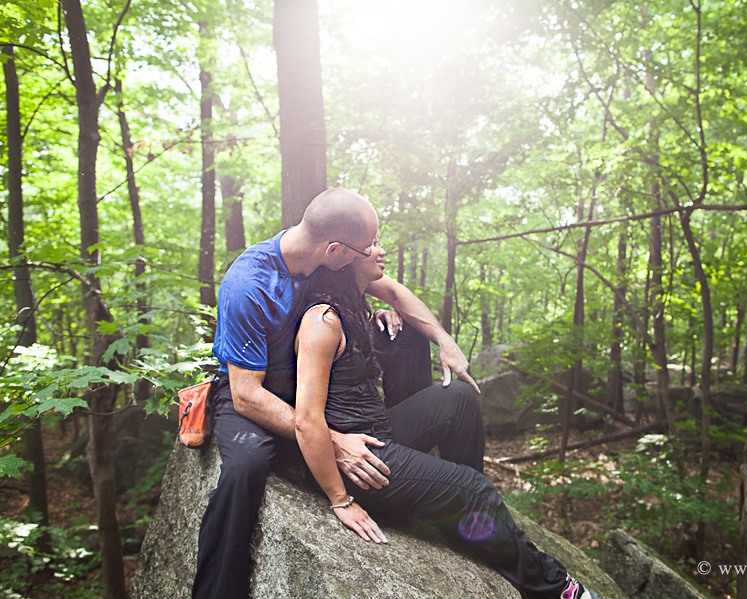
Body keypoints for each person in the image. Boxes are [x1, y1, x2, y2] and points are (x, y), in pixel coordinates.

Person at [192, 188, 481, 599]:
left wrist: (442, 340)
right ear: (334, 248)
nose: (370, 255)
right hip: (250, 388)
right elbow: (245, 395)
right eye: (364, 249)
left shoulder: (327, 262)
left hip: (306, 384)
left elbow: (394, 292)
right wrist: (332, 440)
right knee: (246, 466)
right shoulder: (249, 283)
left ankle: (438, 496)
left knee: (399, 338)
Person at [293, 242, 603, 599]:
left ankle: (467, 516)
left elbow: (395, 292)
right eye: (371, 243)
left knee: (459, 398)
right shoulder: (323, 321)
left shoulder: (352, 296)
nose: (381, 249)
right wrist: (340, 500)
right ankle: (557, 589)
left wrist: (444, 341)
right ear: (345, 256)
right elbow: (306, 419)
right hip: (359, 461)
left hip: (378, 431)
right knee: (473, 489)